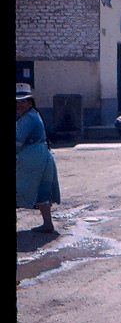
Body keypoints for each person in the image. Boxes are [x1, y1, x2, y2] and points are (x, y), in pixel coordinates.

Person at [16, 83, 61, 233]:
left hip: (32, 158)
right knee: (43, 189)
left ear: (30, 102)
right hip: (43, 155)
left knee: (20, 187)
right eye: (17, 102)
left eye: (23, 101)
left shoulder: (27, 118)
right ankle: (48, 224)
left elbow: (18, 141)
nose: (19, 105)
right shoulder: (33, 115)